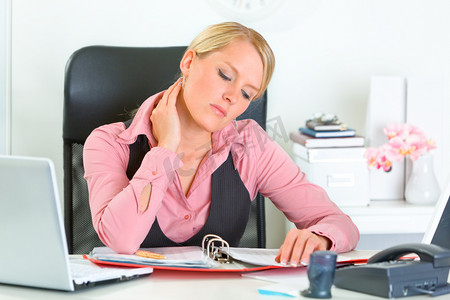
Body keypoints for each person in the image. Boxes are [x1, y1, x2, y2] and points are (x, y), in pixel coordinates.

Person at [83, 22, 359, 267]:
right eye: (225, 76)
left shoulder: (251, 146)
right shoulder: (110, 143)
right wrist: (164, 149)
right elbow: (121, 240)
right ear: (189, 62)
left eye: (246, 93)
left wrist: (320, 238)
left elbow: (341, 225)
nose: (231, 97)